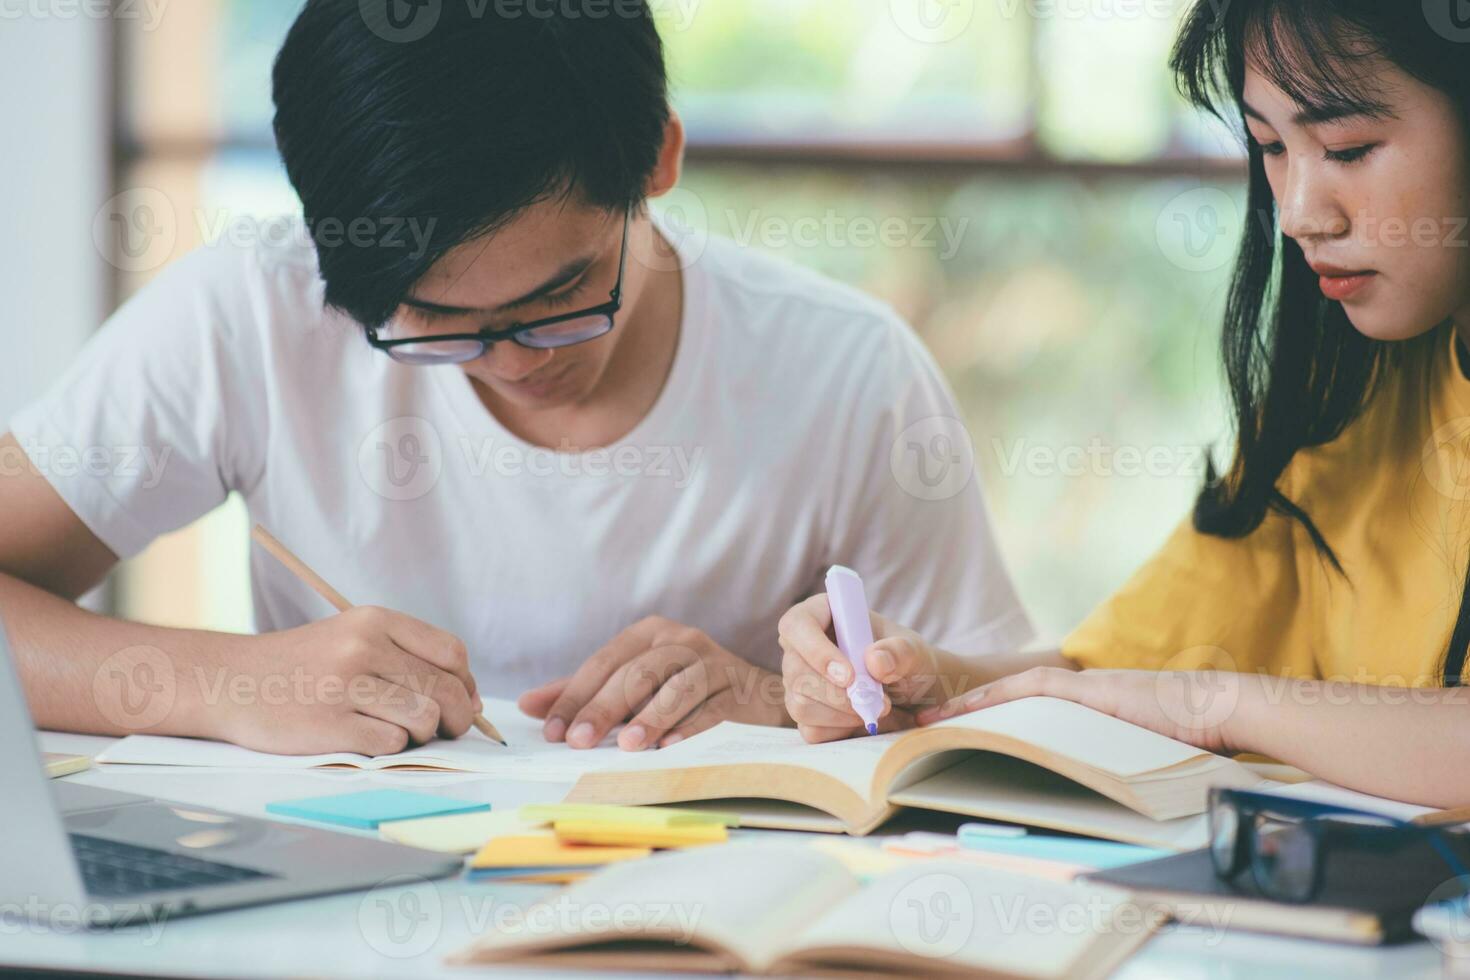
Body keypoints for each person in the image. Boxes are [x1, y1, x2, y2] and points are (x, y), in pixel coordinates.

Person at [0, 0, 1031, 756]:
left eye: (565, 292)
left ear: (659, 158)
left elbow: (1018, 704)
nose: (512, 360)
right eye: (438, 323)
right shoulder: (252, 310)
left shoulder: (845, 369)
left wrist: (778, 698)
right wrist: (221, 679)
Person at [780, 0, 1470, 807]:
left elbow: (1178, 696)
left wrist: (1213, 710)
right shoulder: (1347, 399)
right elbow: (1114, 674)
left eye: (1349, 149)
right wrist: (921, 678)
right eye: (1272, 148)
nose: (1298, 214)